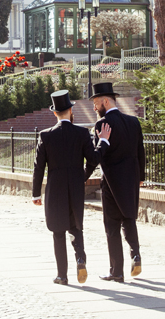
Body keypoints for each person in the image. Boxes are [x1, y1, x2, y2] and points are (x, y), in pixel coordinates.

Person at [32, 89, 110, 285]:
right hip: (75, 188)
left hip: (55, 190)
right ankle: (81, 260)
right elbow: (93, 158)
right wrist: (104, 141)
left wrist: (35, 194)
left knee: (58, 232)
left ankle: (62, 275)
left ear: (54, 113)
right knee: (76, 228)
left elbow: (38, 167)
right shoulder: (82, 133)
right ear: (70, 111)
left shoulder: (46, 136)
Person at [85, 82, 146, 283]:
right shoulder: (133, 122)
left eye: (95, 103)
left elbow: (98, 156)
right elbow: (140, 152)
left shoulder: (102, 125)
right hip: (131, 179)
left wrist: (82, 177)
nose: (94, 108)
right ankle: (135, 255)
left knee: (112, 226)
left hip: (111, 181)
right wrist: (141, 178)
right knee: (129, 219)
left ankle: (116, 271)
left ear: (105, 101)